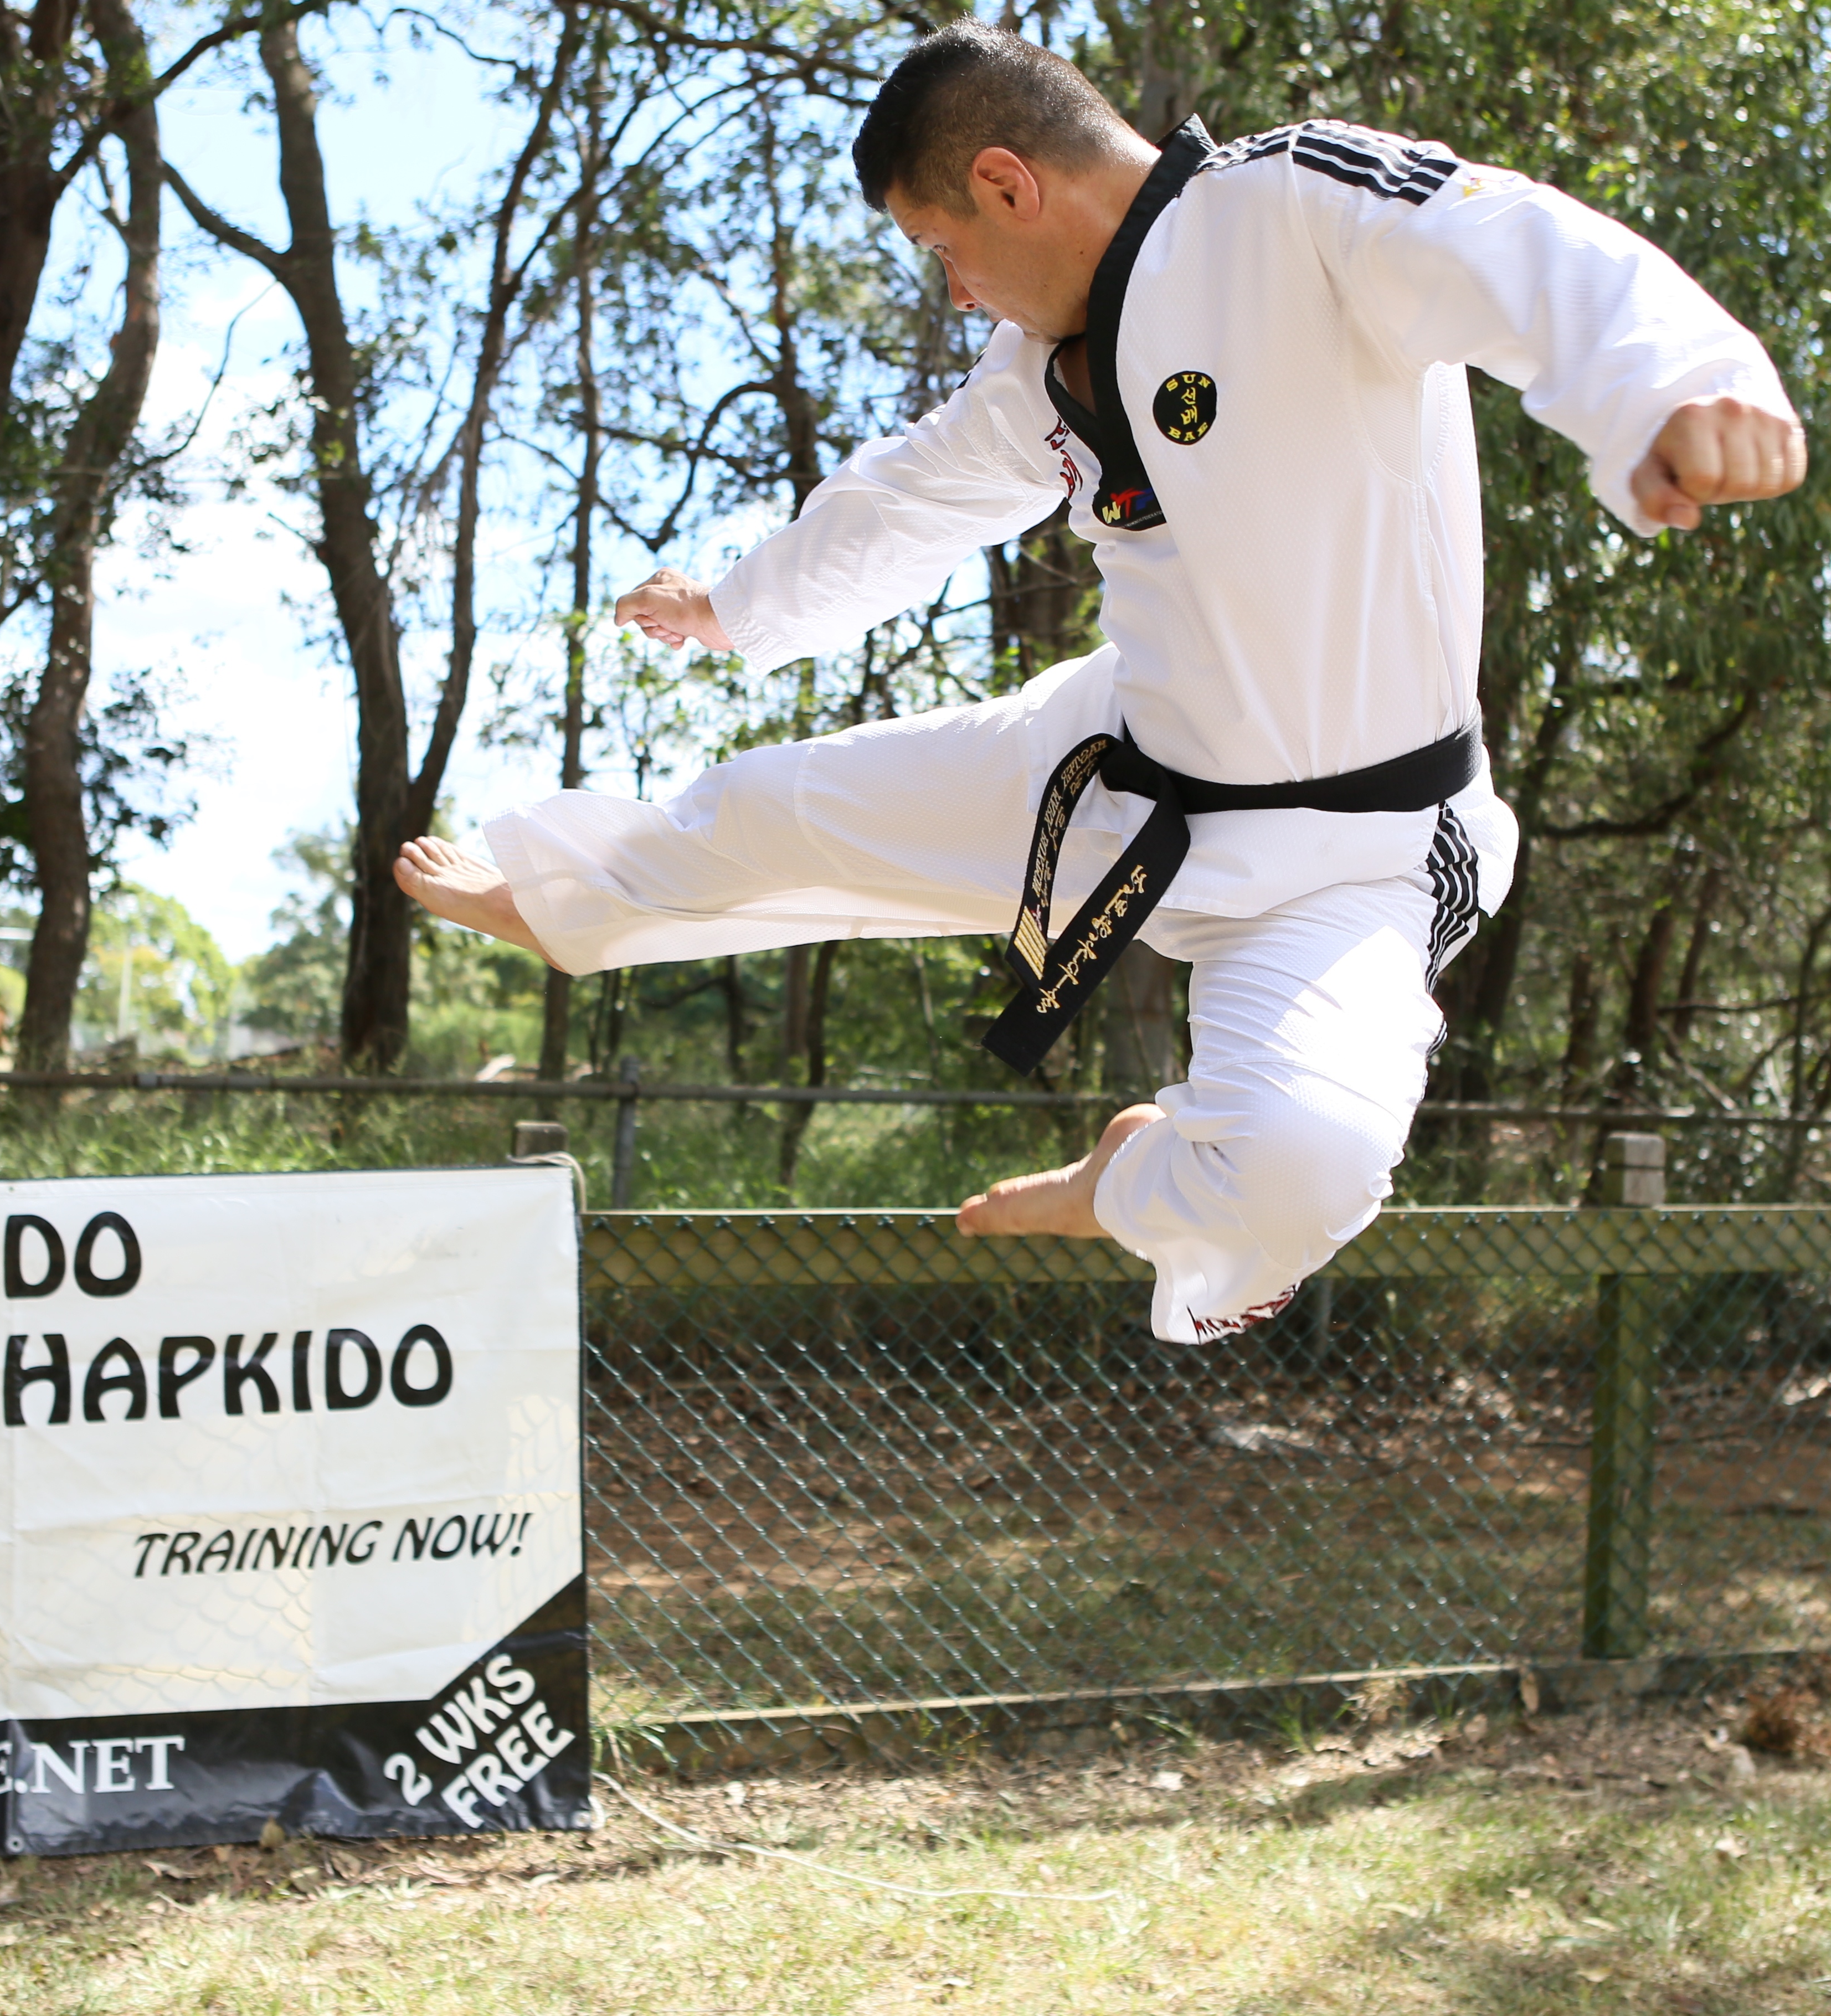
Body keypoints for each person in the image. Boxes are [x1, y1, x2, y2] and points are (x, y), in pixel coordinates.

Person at [396, 22, 1804, 1341]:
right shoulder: (1037, 375)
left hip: (1355, 856)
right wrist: (735, 604)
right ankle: (562, 903)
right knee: (784, 808)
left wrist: (1679, 388)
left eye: (944, 248)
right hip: (1118, 763)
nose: (956, 291)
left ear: (1008, 183)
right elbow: (909, 496)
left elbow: (1518, 243)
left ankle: (1128, 1177)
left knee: (1295, 1176)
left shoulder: (1291, 211)